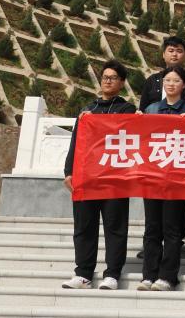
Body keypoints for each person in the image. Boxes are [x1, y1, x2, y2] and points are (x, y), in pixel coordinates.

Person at [61, 59, 136, 290]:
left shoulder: (127, 109)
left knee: (115, 228)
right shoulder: (88, 109)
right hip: (87, 177)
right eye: (105, 77)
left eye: (113, 78)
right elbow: (76, 142)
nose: (108, 81)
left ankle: (112, 274)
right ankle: (83, 273)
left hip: (114, 178)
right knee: (84, 227)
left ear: (121, 83)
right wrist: (69, 171)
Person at [136, 64, 185, 291]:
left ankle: (168, 276)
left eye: (176, 81)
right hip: (152, 177)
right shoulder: (151, 109)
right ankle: (148, 275)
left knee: (172, 229)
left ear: (184, 85)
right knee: (152, 228)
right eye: (168, 80)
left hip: (176, 180)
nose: (171, 84)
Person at [139, 36, 185, 111]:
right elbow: (143, 110)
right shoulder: (152, 80)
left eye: (179, 51)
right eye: (171, 51)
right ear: (163, 54)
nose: (174, 54)